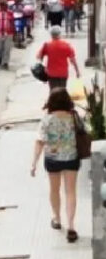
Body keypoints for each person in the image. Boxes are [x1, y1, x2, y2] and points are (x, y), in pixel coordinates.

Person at [31, 88, 81, 243]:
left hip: (52, 159)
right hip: (71, 157)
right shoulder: (74, 117)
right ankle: (71, 226)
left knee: (54, 189)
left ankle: (57, 219)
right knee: (70, 191)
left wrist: (34, 163)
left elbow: (39, 142)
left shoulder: (47, 119)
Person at [37, 25, 80, 91]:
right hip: (63, 73)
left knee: (53, 93)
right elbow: (73, 60)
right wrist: (77, 71)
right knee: (62, 92)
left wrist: (42, 70)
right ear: (60, 34)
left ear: (51, 35)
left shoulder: (47, 45)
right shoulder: (66, 45)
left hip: (51, 73)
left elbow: (39, 56)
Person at [0, 1, 14, 69]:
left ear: (6, 6)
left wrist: (14, 33)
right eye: (1, 5)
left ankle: (5, 62)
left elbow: (12, 23)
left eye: (4, 5)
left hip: (8, 33)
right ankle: (0, 59)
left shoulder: (10, 13)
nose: (3, 7)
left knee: (7, 48)